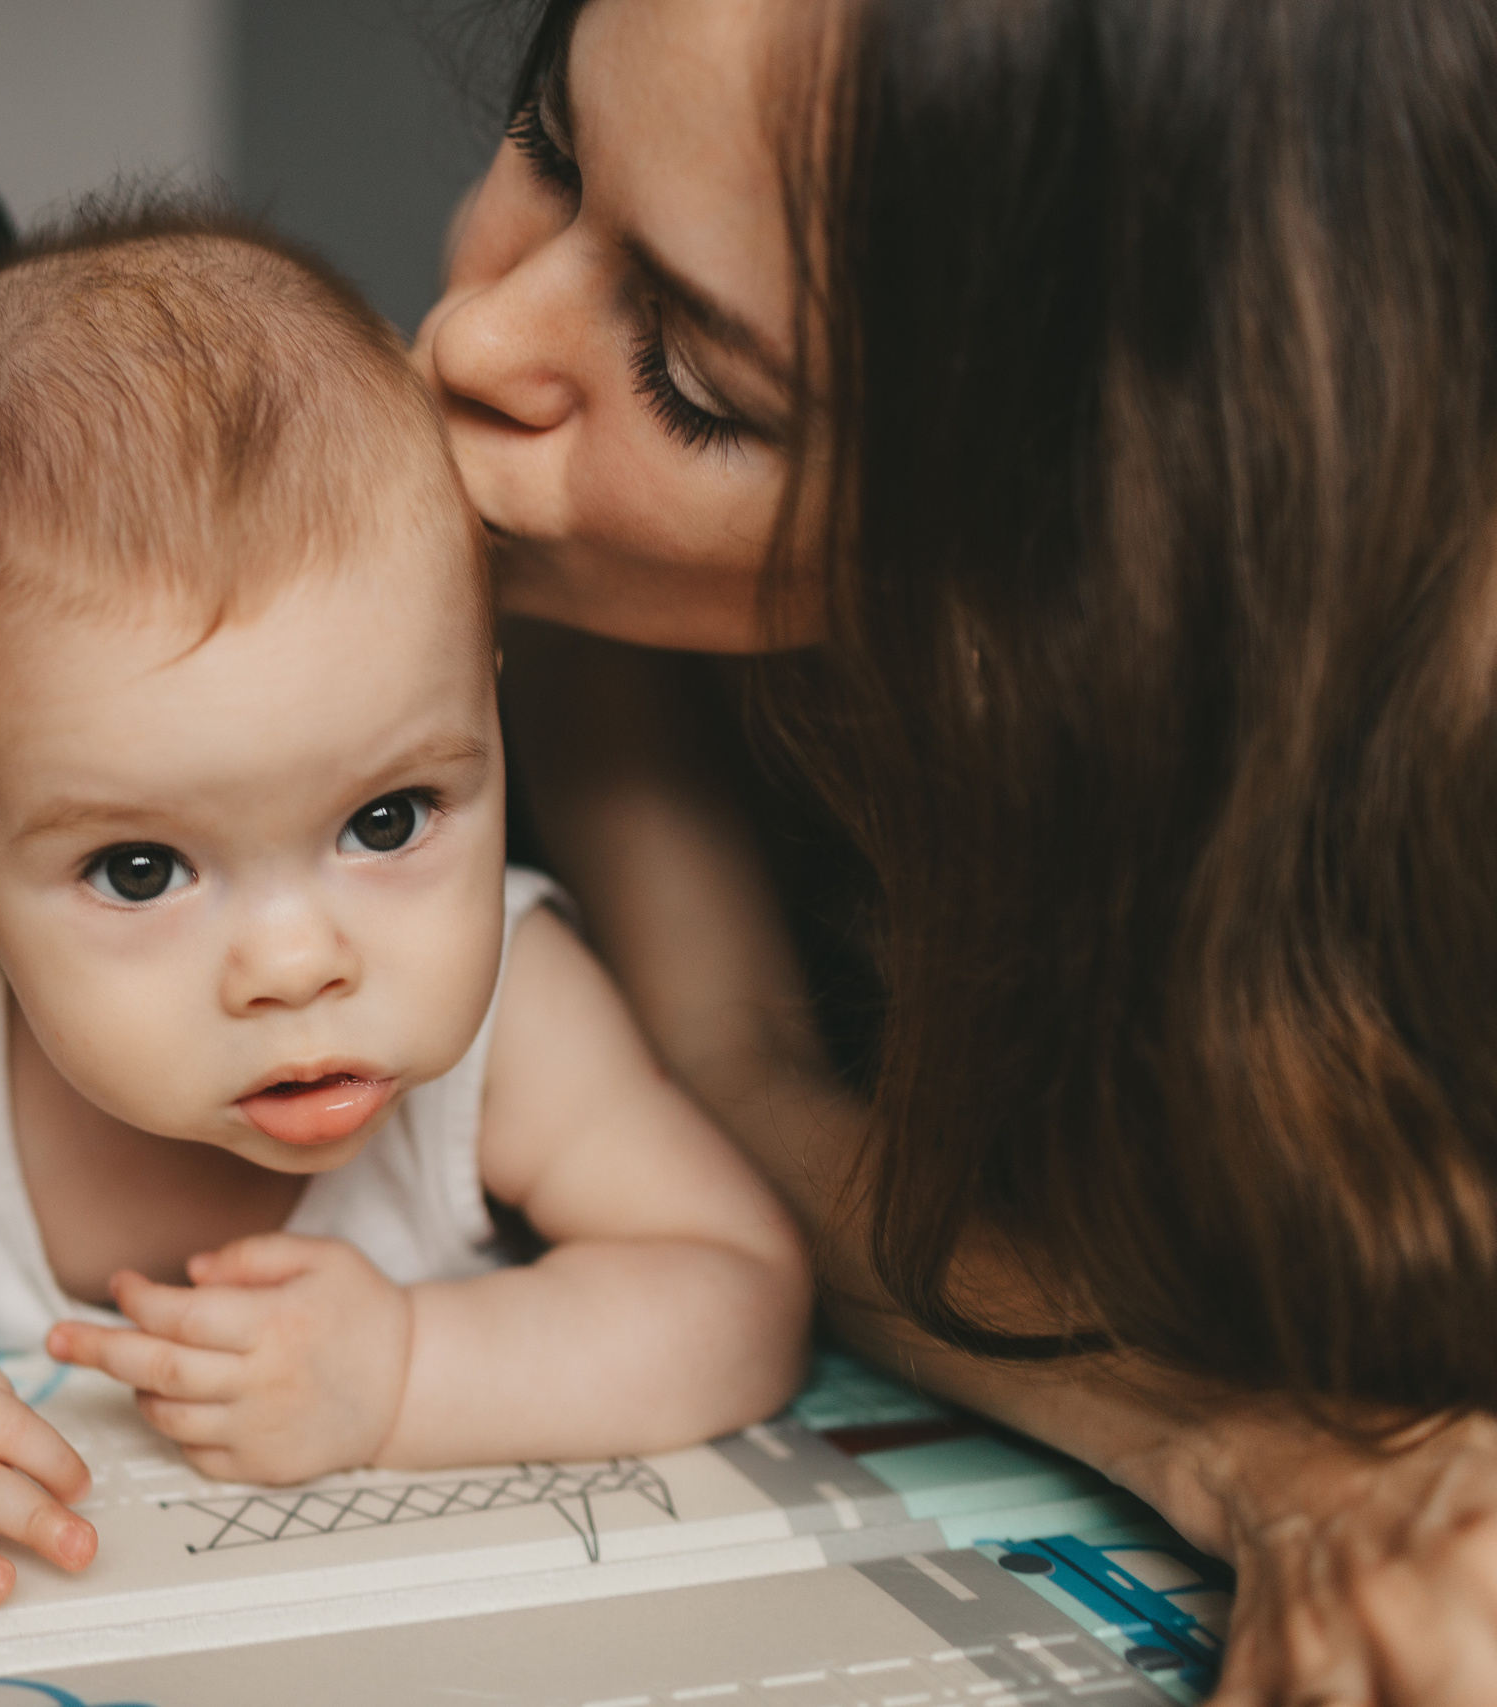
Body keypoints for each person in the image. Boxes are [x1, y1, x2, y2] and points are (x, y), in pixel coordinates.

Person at [414, 0, 1497, 1701]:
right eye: (551, 143)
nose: (473, 337)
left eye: (694, 384)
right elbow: (724, 1062)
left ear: (1093, 550)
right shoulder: (574, 578)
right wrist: (1263, 1458)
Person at [0, 214, 809, 1624]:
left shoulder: (521, 1013)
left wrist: (414, 1373)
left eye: (389, 820)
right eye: (140, 870)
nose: (301, 963)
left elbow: (733, 1287)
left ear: (486, 714)